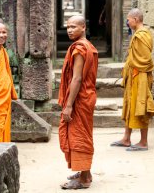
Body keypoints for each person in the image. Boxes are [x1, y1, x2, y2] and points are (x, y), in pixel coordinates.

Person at [58, 15, 98, 189]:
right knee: (82, 134)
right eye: (68, 27)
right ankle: (85, 172)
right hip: (86, 96)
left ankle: (83, 180)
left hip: (80, 98)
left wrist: (68, 105)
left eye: (74, 27)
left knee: (79, 136)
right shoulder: (88, 46)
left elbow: (77, 78)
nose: (69, 30)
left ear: (83, 28)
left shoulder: (80, 49)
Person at [110, 8, 154, 151]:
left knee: (141, 106)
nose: (127, 22)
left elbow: (146, 60)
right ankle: (126, 138)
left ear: (135, 19)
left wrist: (134, 67)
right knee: (130, 105)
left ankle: (143, 142)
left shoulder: (142, 35)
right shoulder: (137, 34)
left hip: (140, 76)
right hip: (133, 76)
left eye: (129, 19)